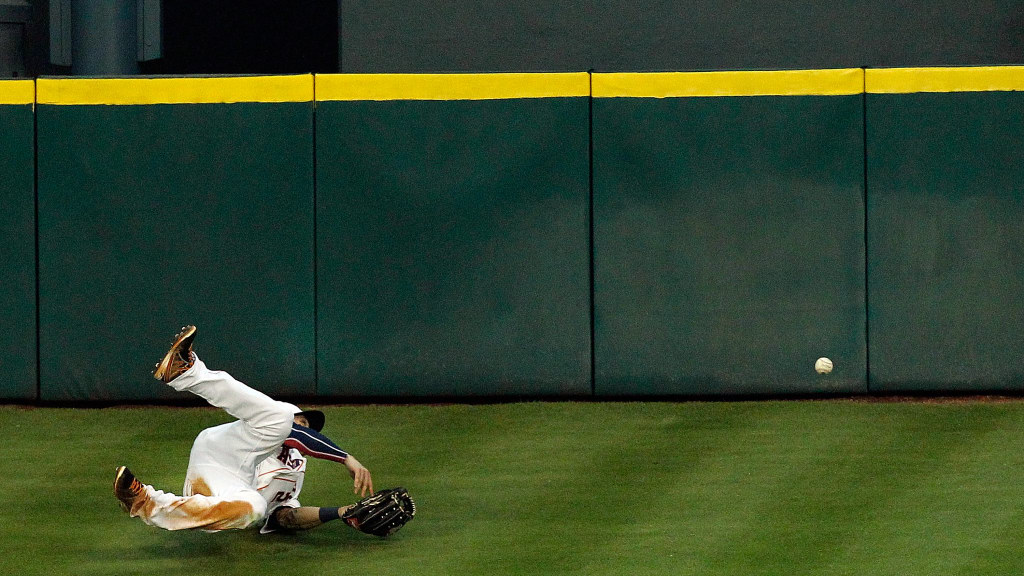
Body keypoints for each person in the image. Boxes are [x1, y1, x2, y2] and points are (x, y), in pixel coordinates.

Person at [114, 325, 373, 533]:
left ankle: (145, 502)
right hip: (220, 451)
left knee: (255, 509)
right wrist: (345, 458)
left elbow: (286, 517)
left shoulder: (296, 472)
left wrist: (339, 512)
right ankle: (186, 372)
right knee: (280, 420)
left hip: (223, 487)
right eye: (302, 421)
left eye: (308, 426)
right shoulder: (273, 426)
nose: (304, 428)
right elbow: (293, 432)